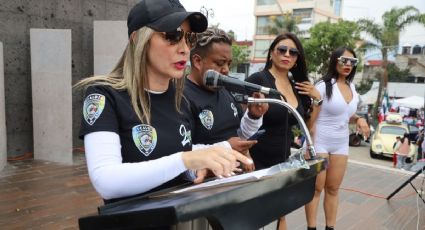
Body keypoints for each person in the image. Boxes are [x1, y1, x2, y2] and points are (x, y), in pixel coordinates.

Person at [75, 0, 253, 205]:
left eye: (189, 38)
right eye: (173, 35)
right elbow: (106, 181)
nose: (185, 49)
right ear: (137, 39)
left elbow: (173, 159)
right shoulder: (104, 95)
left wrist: (201, 165)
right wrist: (187, 160)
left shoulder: (181, 100)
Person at [245, 32, 317, 230]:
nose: (287, 55)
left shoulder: (297, 87)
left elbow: (307, 126)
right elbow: (241, 121)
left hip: (283, 160)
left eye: (293, 52)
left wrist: (316, 100)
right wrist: (246, 155)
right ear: (272, 53)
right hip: (256, 159)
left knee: (280, 214)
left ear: (297, 59)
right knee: (255, 216)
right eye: (282, 50)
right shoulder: (258, 79)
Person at [184, 27, 268, 175]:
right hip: (201, 186)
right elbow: (180, 153)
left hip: (233, 179)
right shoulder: (182, 96)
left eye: (228, 63)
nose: (226, 70)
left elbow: (239, 135)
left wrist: (253, 116)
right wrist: (227, 148)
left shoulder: (224, 90)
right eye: (219, 63)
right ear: (197, 61)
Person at [304, 47, 370, 230]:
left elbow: (344, 113)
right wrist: (308, 143)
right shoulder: (323, 86)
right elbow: (310, 121)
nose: (348, 64)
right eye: (344, 60)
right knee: (316, 189)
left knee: (333, 189)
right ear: (335, 61)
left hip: (341, 143)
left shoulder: (352, 87)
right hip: (320, 141)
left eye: (352, 62)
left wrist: (359, 118)